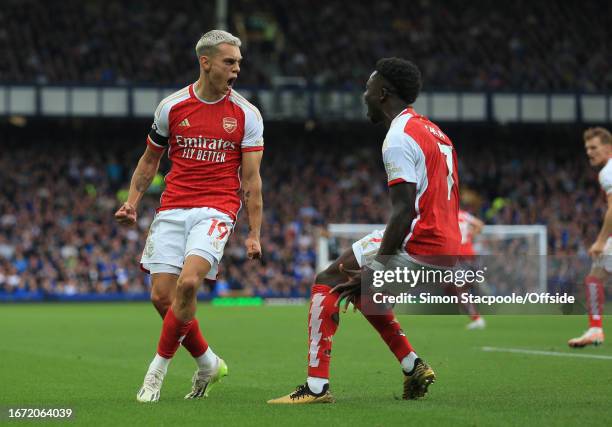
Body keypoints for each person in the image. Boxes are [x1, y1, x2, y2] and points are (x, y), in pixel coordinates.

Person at [268, 58, 460, 404]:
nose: (364, 95)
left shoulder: (399, 136)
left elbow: (404, 210)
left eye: (368, 88)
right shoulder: (434, 131)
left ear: (383, 92)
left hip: (420, 243)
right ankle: (412, 364)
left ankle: (315, 388)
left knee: (328, 278)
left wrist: (379, 265)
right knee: (359, 287)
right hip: (446, 247)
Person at [114, 29, 264, 402]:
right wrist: (132, 201)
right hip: (173, 207)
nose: (236, 70)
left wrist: (253, 232)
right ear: (206, 62)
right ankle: (209, 362)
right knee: (162, 298)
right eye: (229, 62)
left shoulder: (247, 114)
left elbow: (251, 180)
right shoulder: (172, 107)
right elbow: (150, 160)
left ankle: (156, 372)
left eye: (239, 63)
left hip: (216, 208)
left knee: (188, 284)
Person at [568, 127, 611, 348]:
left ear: (608, 147)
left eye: (594, 147)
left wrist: (602, 240)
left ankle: (595, 330)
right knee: (595, 277)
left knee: (594, 279)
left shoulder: (608, 171)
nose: (589, 152)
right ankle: (595, 329)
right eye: (587, 148)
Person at [457, 208, 486, 329]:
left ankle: (477, 318)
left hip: (459, 256)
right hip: (469, 255)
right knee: (461, 289)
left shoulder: (447, 216)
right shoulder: (464, 215)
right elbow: (480, 225)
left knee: (460, 290)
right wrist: (470, 236)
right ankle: (476, 316)